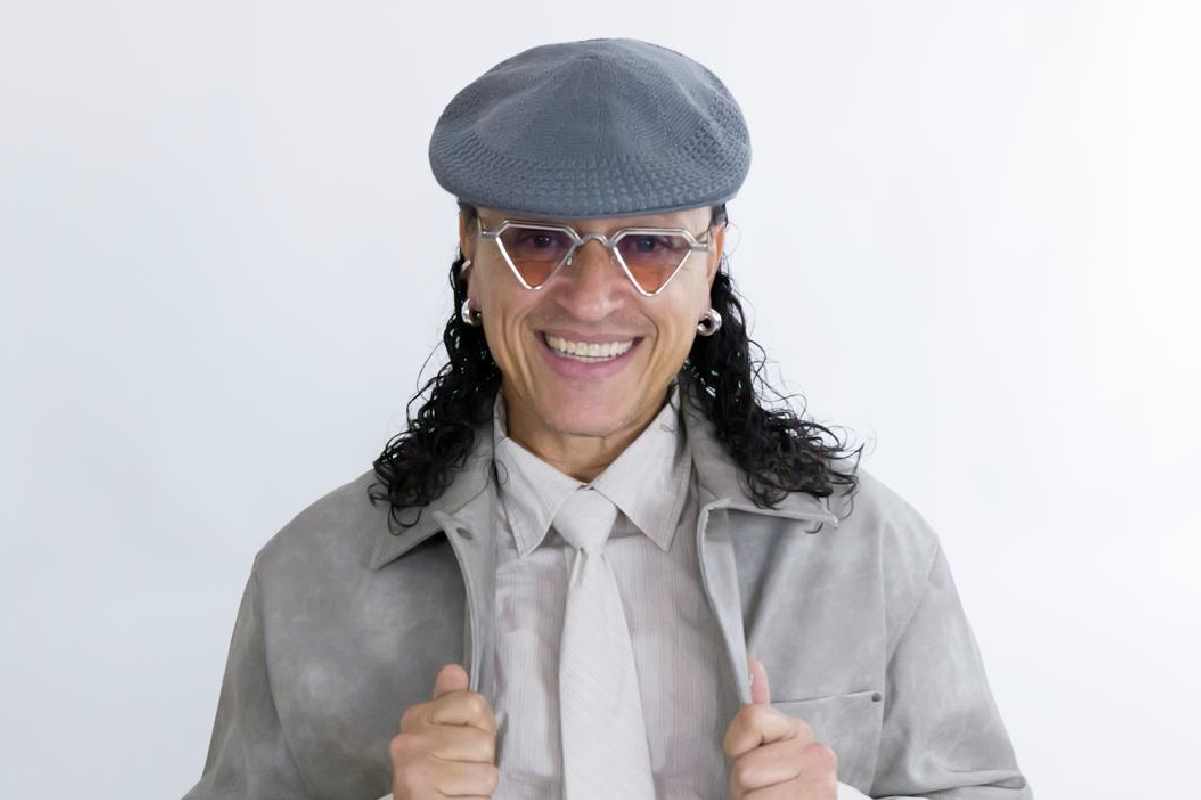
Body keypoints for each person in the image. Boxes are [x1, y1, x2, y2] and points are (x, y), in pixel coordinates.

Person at [182, 37, 1032, 800]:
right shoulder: (310, 578)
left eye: (649, 245)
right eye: (537, 241)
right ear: (470, 248)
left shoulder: (865, 550)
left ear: (712, 258)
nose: (590, 299)